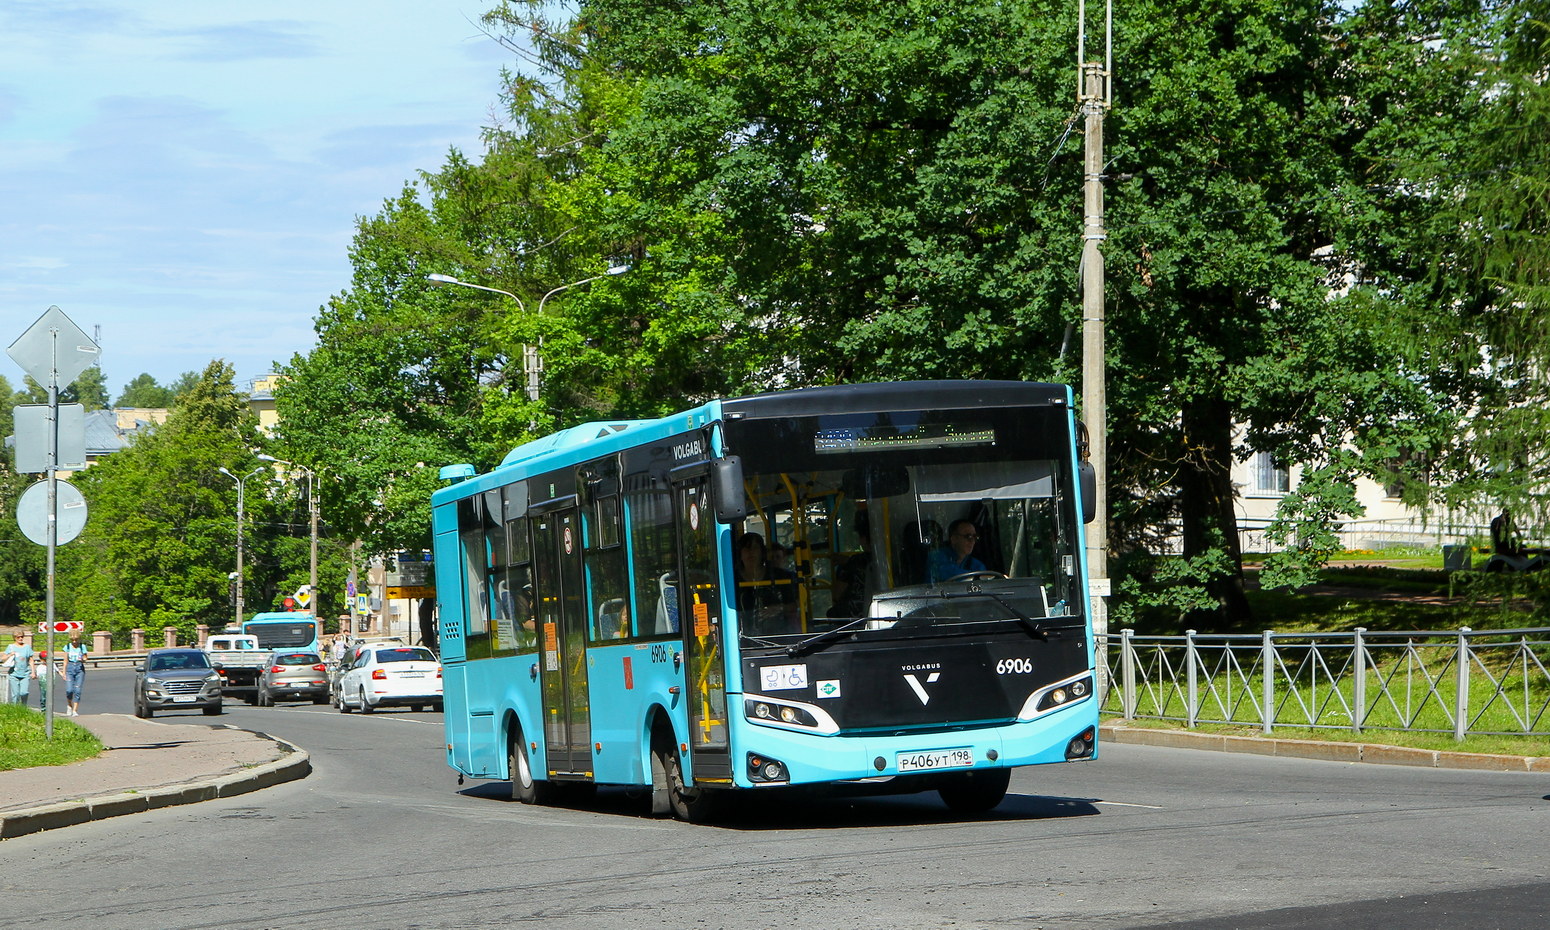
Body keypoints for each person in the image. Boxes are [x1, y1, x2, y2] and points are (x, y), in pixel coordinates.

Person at [735, 532, 798, 634]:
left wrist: (778, 609)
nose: (751, 552)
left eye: (755, 548)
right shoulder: (732, 580)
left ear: (762, 552)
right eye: (747, 548)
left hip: (778, 635)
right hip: (742, 636)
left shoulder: (780, 576)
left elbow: (794, 605)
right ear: (740, 554)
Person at [5, 632, 36, 705]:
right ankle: (15, 710)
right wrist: (10, 654)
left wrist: (33, 672)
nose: (20, 638)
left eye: (22, 637)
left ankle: (23, 707)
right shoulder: (11, 647)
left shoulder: (27, 647)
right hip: (13, 674)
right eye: (18, 637)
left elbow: (31, 660)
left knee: (24, 692)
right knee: (15, 694)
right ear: (14, 638)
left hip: (25, 673)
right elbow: (3, 658)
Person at [62, 633, 88, 716]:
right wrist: (63, 672)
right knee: (69, 690)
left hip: (79, 669)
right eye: (72, 640)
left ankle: (75, 710)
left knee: (77, 690)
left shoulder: (82, 646)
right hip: (70, 668)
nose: (74, 641)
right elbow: (65, 660)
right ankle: (69, 705)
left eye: (76, 640)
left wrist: (83, 659)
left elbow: (85, 657)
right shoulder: (68, 647)